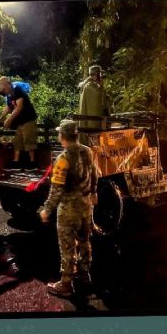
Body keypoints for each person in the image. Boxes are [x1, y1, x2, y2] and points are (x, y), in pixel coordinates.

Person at [40, 119, 99, 297]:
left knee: (67, 246)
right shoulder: (88, 151)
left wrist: (46, 210)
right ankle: (84, 275)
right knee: (84, 242)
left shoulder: (62, 159)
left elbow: (56, 190)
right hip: (85, 206)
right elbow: (95, 173)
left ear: (62, 136)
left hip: (68, 210)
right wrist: (94, 193)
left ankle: (66, 283)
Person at [0, 76, 38, 169]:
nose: (3, 91)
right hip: (19, 122)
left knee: (28, 140)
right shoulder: (8, 95)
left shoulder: (17, 90)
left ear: (8, 85)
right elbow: (9, 108)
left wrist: (8, 120)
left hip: (28, 119)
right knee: (17, 141)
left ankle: (32, 162)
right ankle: (16, 162)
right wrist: (0, 118)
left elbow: (19, 107)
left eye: (3, 89)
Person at [78, 65, 108, 131]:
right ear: (96, 76)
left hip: (94, 120)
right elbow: (100, 99)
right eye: (100, 76)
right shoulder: (90, 87)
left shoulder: (92, 85)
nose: (101, 78)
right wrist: (101, 86)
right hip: (92, 122)